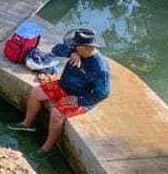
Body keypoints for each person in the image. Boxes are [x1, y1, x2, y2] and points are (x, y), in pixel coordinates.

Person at [9, 28, 111, 158]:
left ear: (87, 48)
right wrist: (72, 52)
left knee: (57, 113)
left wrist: (80, 101)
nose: (73, 46)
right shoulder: (77, 51)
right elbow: (56, 50)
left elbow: (103, 92)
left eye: (76, 46)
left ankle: (48, 148)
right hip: (63, 85)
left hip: (80, 96)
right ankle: (27, 124)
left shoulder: (99, 67)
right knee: (36, 92)